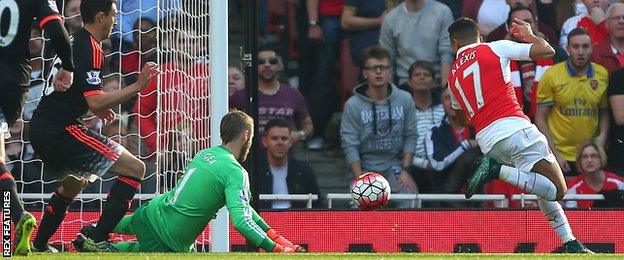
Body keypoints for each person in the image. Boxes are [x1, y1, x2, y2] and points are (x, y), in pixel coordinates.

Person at [447, 17, 592, 252]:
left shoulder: (452, 76)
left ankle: (569, 242)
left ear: (454, 44)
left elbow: (463, 119)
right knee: (557, 189)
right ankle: (495, 170)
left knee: (541, 186)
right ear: (479, 38)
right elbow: (547, 50)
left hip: (488, 141)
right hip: (515, 128)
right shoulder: (493, 47)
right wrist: (531, 35)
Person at [29, 0, 159, 252]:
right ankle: (96, 238)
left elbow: (82, 96)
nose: (116, 21)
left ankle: (40, 245)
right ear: (101, 17)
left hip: (43, 128)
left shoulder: (76, 41)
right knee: (136, 168)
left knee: (74, 183)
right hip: (61, 129)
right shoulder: (90, 47)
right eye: (114, 15)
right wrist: (137, 86)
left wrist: (98, 108)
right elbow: (94, 98)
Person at [106, 110, 305, 253]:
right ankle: (104, 245)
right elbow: (242, 221)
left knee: (106, 231)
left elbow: (244, 209)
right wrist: (277, 249)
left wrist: (276, 237)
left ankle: (92, 233)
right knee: (132, 251)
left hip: (149, 213)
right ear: (246, 136)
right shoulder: (234, 171)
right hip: (168, 239)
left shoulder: (204, 154)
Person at [0, 0, 74, 255]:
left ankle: (18, 216)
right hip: (14, 84)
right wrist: (68, 66)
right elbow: (55, 28)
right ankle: (10, 236)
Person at [340, 45, 418, 205]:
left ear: (390, 72)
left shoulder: (405, 99)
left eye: (382, 67)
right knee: (360, 207)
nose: (378, 72)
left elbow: (411, 135)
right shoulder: (353, 105)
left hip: (396, 167)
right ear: (365, 73)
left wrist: (405, 170)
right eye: (373, 68)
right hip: (364, 167)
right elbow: (349, 144)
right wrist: (360, 178)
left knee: (410, 200)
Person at [535, 28, 609, 176]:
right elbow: (540, 117)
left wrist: (602, 136)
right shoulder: (552, 75)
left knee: (590, 197)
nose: (580, 52)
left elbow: (604, 111)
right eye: (575, 46)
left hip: (590, 153)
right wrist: (554, 153)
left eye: (585, 46)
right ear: (568, 48)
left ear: (591, 48)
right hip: (561, 154)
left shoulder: (602, 74)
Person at [230, 46, 313, 145]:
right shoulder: (240, 96)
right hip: (249, 158)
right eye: (261, 61)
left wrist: (300, 134)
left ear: (280, 65)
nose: (267, 65)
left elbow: (308, 125)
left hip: (283, 157)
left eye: (272, 61)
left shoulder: (293, 94)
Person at [257, 119, 320, 209]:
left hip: (296, 220)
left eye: (284, 138)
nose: (280, 143)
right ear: (265, 141)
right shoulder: (253, 170)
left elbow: (317, 203)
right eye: (274, 138)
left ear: (290, 142)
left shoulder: (303, 169)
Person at [565, 141, 624, 208]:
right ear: (580, 161)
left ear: (601, 158)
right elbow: (571, 215)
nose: (589, 160)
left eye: (594, 156)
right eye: (585, 157)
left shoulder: (618, 183)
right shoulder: (573, 186)